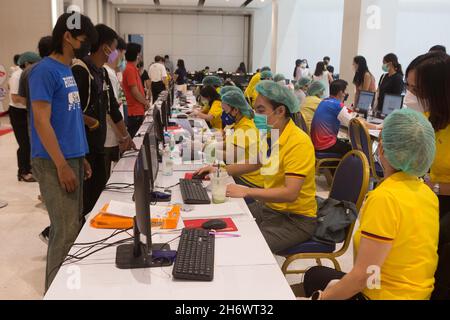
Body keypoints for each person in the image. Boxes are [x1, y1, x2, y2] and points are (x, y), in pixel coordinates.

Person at [303, 108, 439, 300]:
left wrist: (321, 298)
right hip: (418, 294)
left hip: (382, 295)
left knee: (314, 278)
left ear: (382, 149)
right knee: (316, 276)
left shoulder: (385, 198)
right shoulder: (428, 194)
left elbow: (361, 278)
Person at [197, 81, 317, 253]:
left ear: (280, 111)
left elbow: (290, 193)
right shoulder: (270, 134)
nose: (255, 115)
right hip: (271, 207)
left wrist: (247, 191)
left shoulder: (298, 142)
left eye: (260, 111)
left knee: (244, 248)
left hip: (295, 220)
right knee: (225, 223)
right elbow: (255, 162)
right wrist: (220, 169)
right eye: (255, 110)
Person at [29, 13, 96, 291]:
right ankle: (55, 292)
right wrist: (61, 165)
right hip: (53, 161)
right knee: (65, 232)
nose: (86, 47)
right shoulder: (44, 71)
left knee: (72, 227)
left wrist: (81, 156)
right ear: (67, 37)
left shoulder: (67, 70)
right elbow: (42, 122)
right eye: (83, 41)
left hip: (72, 158)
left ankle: (69, 290)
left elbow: (69, 116)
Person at [72, 24, 133, 217]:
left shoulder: (103, 72)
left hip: (98, 147)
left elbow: (113, 109)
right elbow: (70, 112)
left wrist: (126, 135)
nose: (115, 54)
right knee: (84, 201)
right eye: (114, 49)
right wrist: (92, 122)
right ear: (106, 48)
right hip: (83, 148)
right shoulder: (80, 70)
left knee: (98, 196)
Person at [405, 52, 450, 219]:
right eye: (407, 87)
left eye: (416, 89)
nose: (410, 94)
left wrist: (434, 187)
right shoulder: (430, 118)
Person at [311, 80, 379, 158]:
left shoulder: (325, 101)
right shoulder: (336, 105)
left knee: (347, 144)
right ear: (340, 92)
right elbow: (356, 122)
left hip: (317, 144)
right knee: (357, 152)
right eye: (345, 91)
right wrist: (377, 126)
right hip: (326, 145)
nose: (346, 94)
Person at [8, 52, 41, 183]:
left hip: (25, 111)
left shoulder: (25, 73)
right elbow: (15, 98)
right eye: (33, 64)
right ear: (27, 63)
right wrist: (36, 103)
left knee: (29, 142)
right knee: (24, 143)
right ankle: (23, 172)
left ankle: (29, 168)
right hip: (18, 113)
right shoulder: (17, 75)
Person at [104, 37, 130, 181]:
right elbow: (109, 111)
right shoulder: (108, 74)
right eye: (122, 54)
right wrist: (122, 136)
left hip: (113, 135)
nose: (123, 59)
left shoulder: (112, 73)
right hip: (110, 137)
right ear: (116, 52)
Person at [122, 43, 150, 138]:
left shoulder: (133, 69)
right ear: (137, 55)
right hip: (134, 111)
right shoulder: (129, 69)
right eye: (140, 54)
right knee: (136, 139)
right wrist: (145, 102)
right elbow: (134, 91)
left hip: (138, 110)